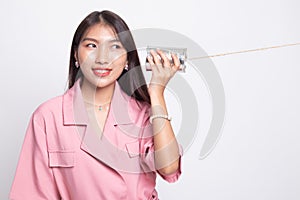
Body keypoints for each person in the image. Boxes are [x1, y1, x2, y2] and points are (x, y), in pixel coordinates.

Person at [9, 10, 182, 200]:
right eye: (92, 45)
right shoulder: (48, 117)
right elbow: (31, 194)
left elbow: (169, 167)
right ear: (76, 54)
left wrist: (156, 93)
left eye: (115, 47)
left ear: (127, 59)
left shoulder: (142, 114)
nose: (102, 58)